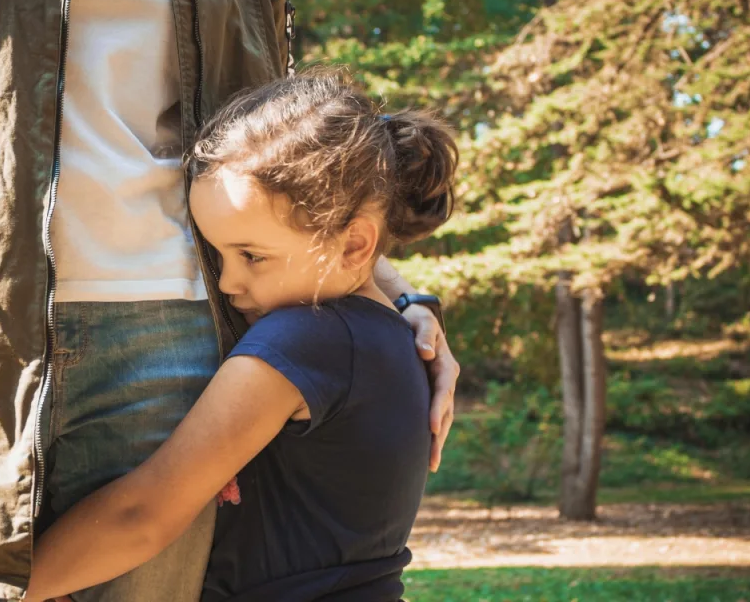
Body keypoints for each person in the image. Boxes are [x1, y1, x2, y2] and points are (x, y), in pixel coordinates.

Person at [0, 0, 461, 600]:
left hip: (182, 354)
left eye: (248, 259)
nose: (238, 276)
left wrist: (394, 295)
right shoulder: (297, 338)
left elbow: (294, 161)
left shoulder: (293, 342)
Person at [24, 69, 455, 602]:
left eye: (252, 256)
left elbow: (143, 515)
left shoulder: (305, 339)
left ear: (353, 246)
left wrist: (9, 589)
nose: (228, 283)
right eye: (218, 254)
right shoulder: (384, 336)